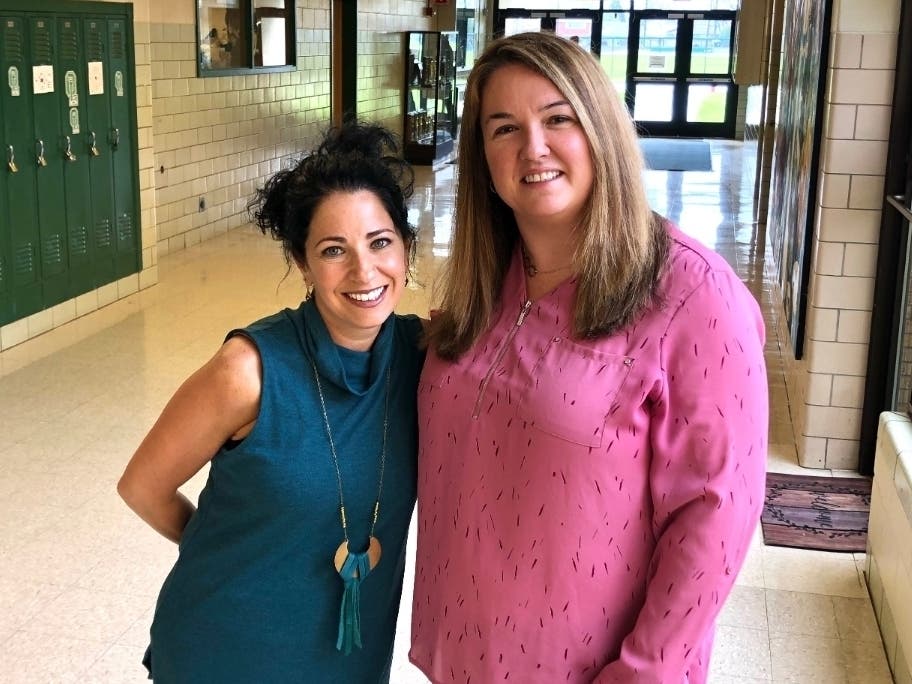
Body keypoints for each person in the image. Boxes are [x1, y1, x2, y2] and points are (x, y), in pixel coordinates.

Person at [409, 32, 767, 683]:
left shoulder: (693, 295)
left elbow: (716, 515)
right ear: (481, 156)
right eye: (503, 128)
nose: (533, 148)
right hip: (463, 655)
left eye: (557, 119)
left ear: (599, 127)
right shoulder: (486, 285)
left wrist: (640, 673)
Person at [118, 120, 424, 682]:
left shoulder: (422, 356)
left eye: (380, 242)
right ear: (303, 264)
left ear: (405, 246)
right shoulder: (249, 372)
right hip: (229, 645)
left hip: (349, 652)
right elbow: (142, 486)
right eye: (334, 250)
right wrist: (236, 554)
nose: (364, 270)